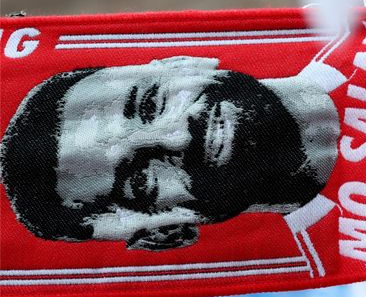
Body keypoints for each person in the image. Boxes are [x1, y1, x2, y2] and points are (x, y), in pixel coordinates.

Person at [0, 56, 341, 250]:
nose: (177, 138)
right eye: (141, 180)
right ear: (164, 235)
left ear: (183, 62)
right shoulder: (351, 271)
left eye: (150, 104)